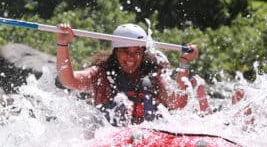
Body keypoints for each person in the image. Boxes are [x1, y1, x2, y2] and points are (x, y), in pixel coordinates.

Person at [54, 23, 209, 125]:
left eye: (137, 52)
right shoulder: (102, 74)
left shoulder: (153, 76)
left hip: (146, 142)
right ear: (116, 52)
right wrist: (63, 43)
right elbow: (69, 80)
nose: (131, 58)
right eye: (125, 51)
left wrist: (184, 63)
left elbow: (178, 103)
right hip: (111, 144)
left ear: (143, 53)